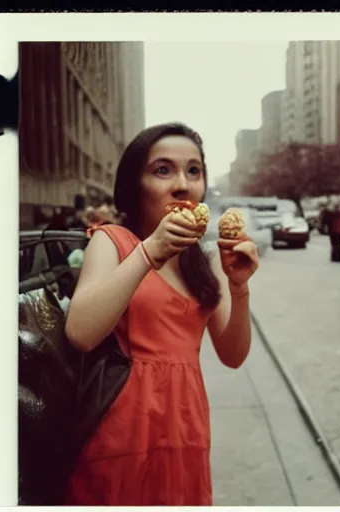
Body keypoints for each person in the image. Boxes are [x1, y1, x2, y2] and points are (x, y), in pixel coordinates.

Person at [64, 123, 259, 506]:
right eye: (163, 170)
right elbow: (81, 332)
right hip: (123, 427)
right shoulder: (112, 241)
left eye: (194, 171)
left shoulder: (200, 263)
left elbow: (233, 355)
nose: (182, 184)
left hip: (187, 428)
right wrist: (150, 252)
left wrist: (239, 288)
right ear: (136, 185)